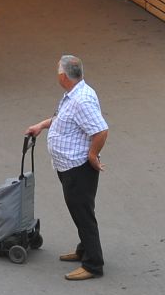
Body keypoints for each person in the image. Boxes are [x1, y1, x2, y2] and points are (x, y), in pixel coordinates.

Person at [25, 54, 109, 281]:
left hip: (78, 167)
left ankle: (93, 264)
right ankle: (84, 251)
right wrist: (41, 126)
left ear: (63, 76)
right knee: (79, 211)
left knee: (83, 214)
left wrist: (92, 155)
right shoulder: (74, 95)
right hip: (69, 166)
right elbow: (62, 119)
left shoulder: (81, 100)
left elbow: (101, 130)